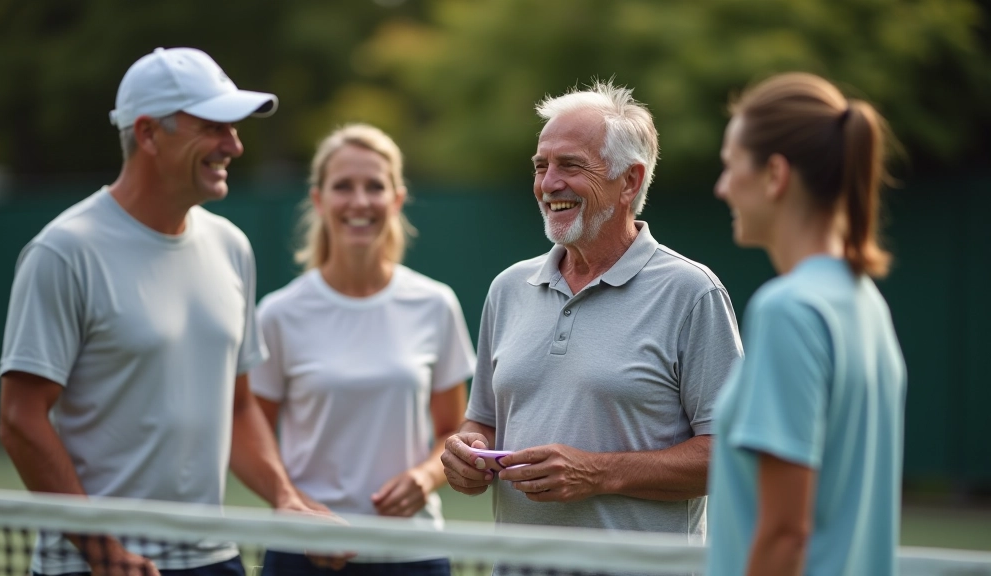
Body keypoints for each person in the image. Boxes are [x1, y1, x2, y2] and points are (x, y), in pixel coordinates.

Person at [0, 47, 326, 576]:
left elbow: (239, 408)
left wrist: (286, 498)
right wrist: (104, 553)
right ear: (148, 134)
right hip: (90, 566)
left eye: (235, 128)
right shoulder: (62, 251)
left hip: (212, 560)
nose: (234, 145)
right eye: (213, 126)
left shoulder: (231, 247)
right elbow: (20, 420)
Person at [441, 81, 743, 540]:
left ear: (631, 181)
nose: (548, 184)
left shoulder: (692, 292)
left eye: (570, 166)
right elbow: (482, 420)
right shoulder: (508, 288)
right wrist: (467, 453)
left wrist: (600, 472)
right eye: (541, 166)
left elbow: (733, 455)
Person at [249, 123, 476, 576]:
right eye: (343, 187)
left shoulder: (435, 304)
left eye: (374, 186)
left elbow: (451, 429)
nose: (359, 201)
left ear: (396, 198)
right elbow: (252, 433)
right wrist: (296, 507)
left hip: (412, 554)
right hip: (304, 552)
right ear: (318, 200)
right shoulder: (279, 313)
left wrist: (424, 478)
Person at [706, 72, 907, 576]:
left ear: (775, 175)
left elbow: (785, 534)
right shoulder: (867, 305)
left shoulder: (789, 310)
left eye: (730, 167)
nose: (721, 188)